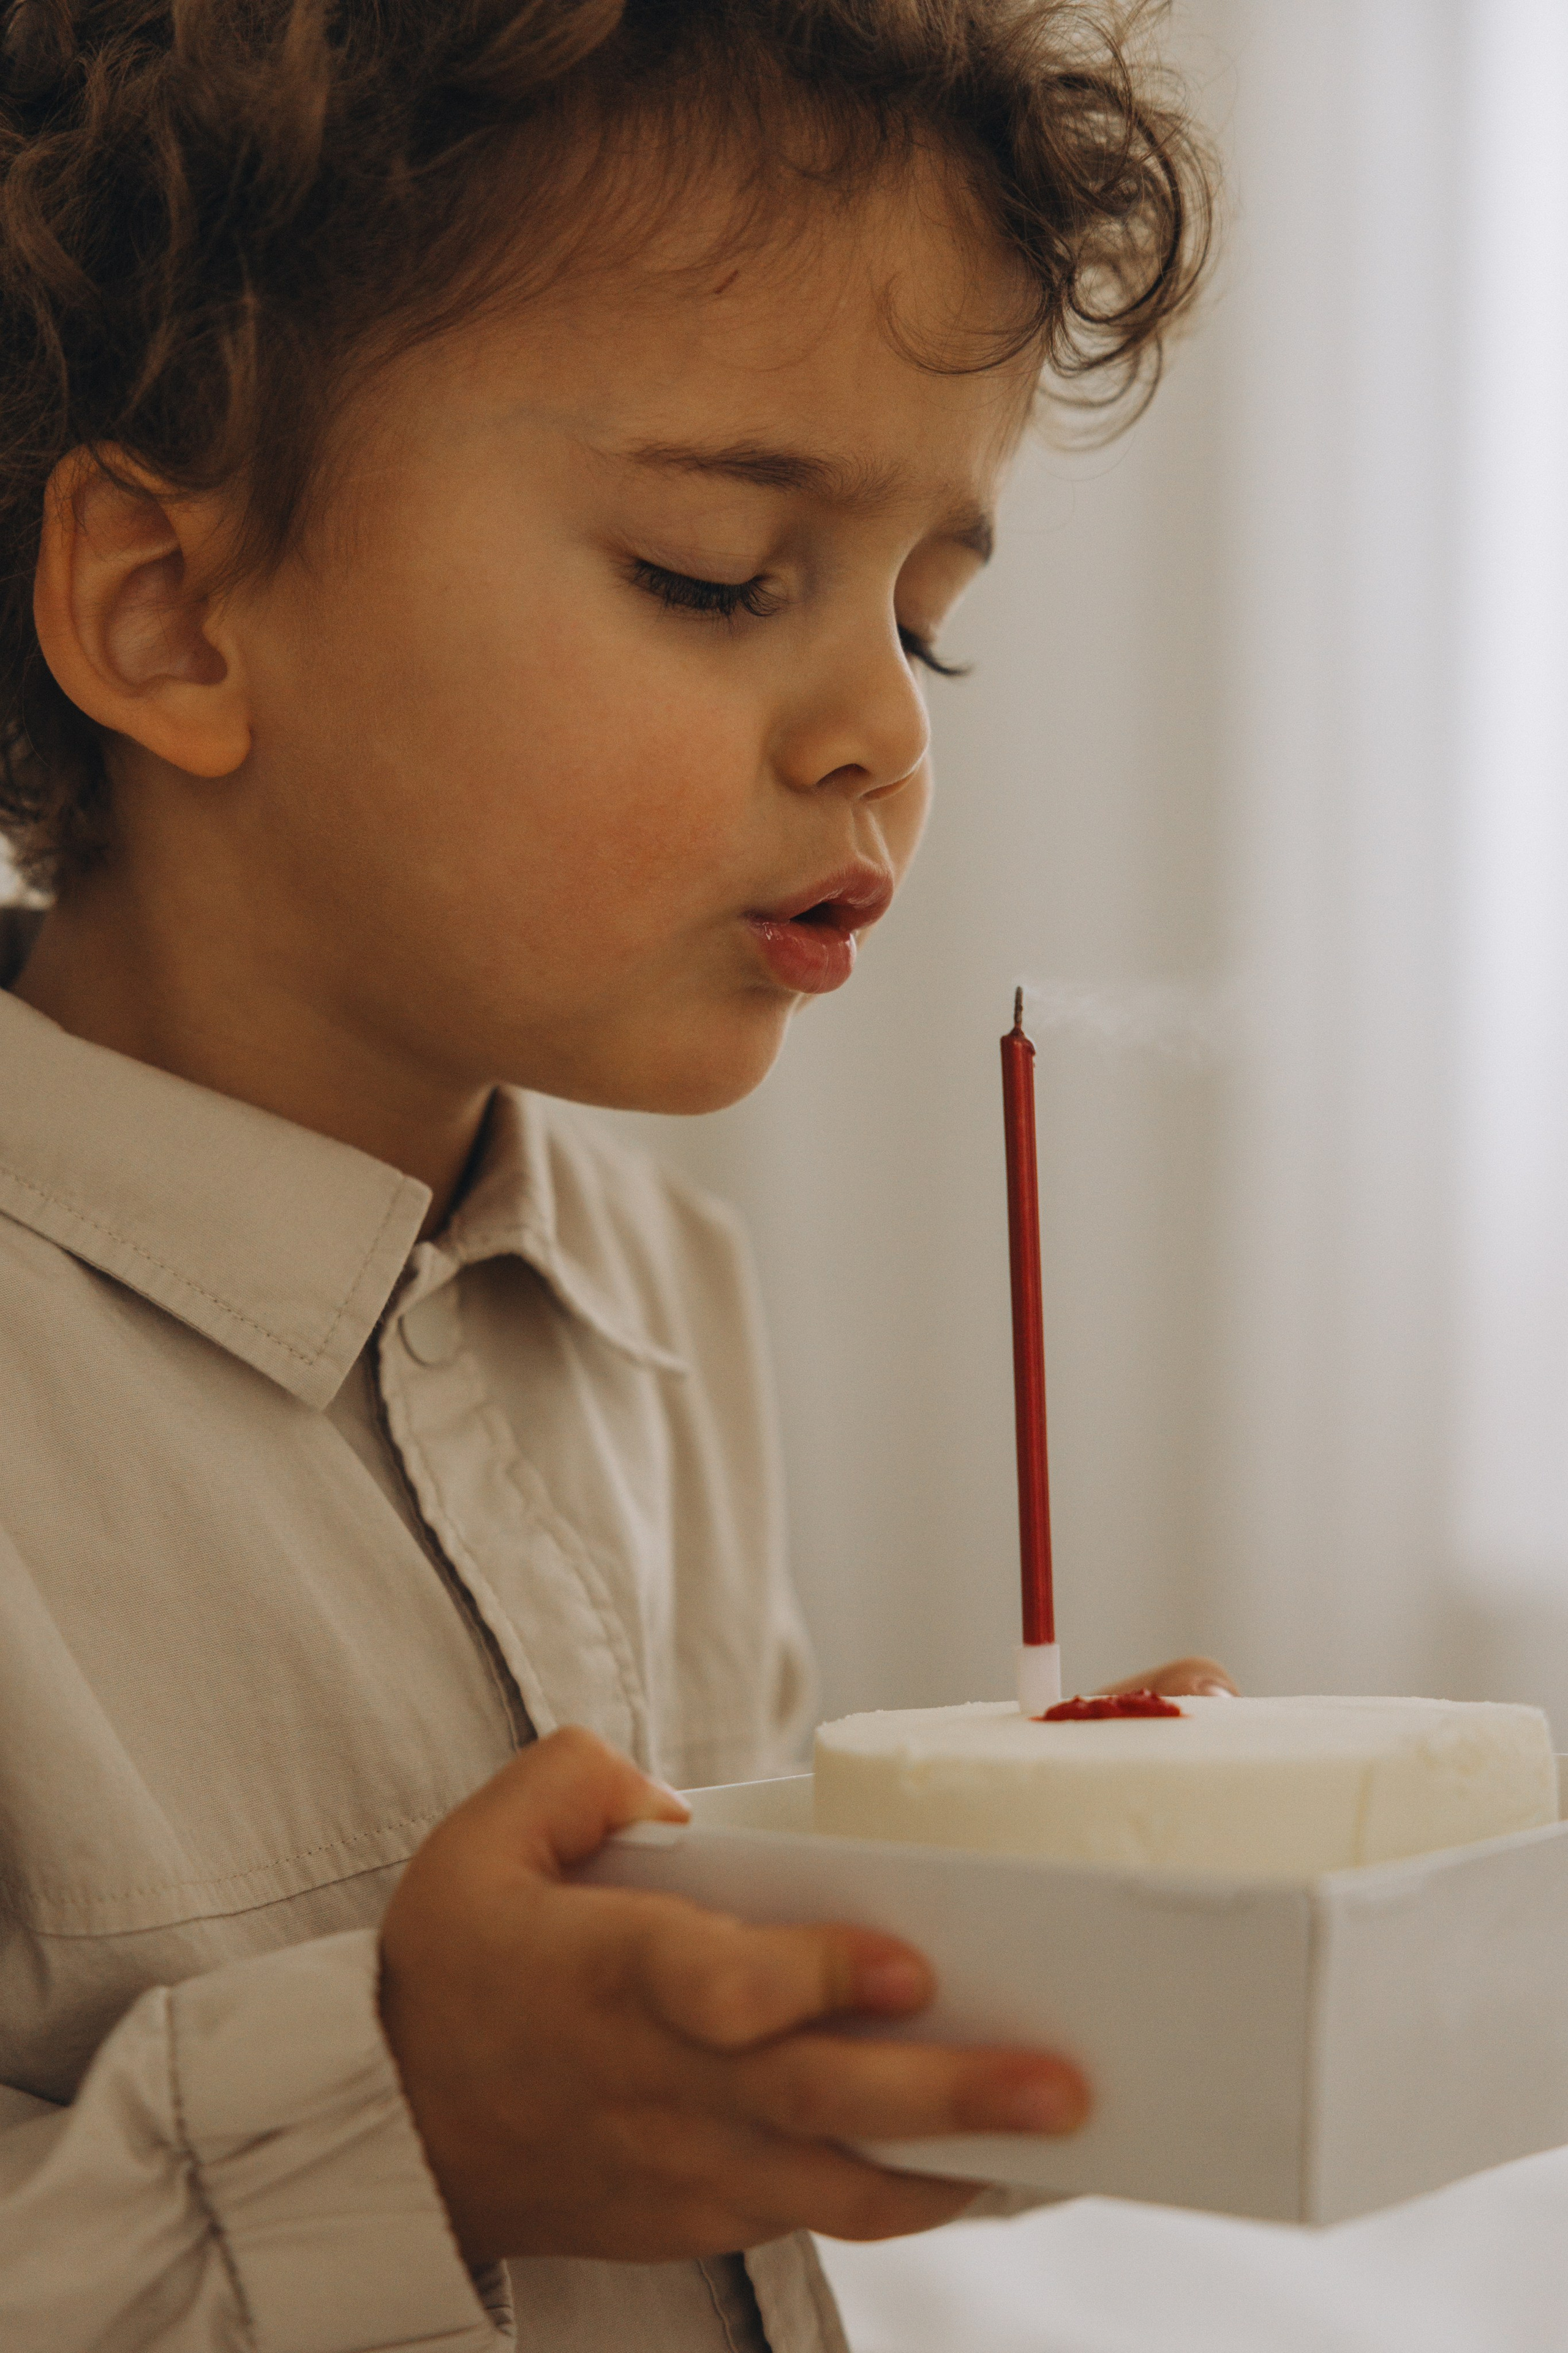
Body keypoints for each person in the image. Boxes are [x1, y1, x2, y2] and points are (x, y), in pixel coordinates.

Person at [0, 1, 1227, 2345]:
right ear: (170, 610)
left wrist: (917, 1954)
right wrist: (409, 2125)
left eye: (925, 629)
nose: (877, 729)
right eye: (710, 570)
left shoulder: (669, 1299)